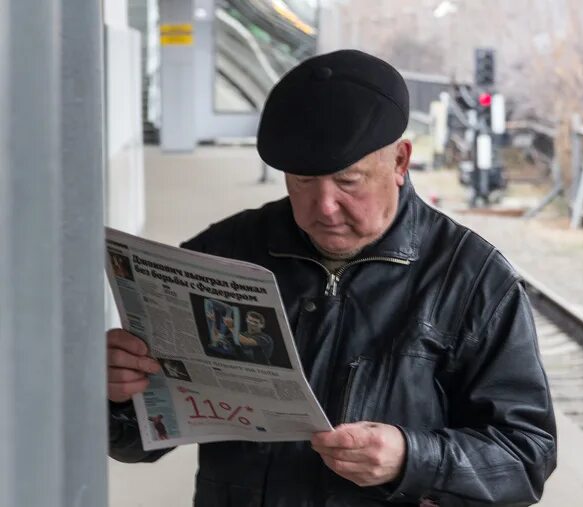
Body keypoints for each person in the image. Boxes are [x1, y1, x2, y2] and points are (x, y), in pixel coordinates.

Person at [107, 49, 557, 506]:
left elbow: (526, 458)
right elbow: (137, 441)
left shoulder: (474, 279)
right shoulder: (220, 254)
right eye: (302, 181)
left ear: (400, 162)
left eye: (348, 181)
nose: (324, 207)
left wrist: (412, 458)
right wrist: (117, 397)